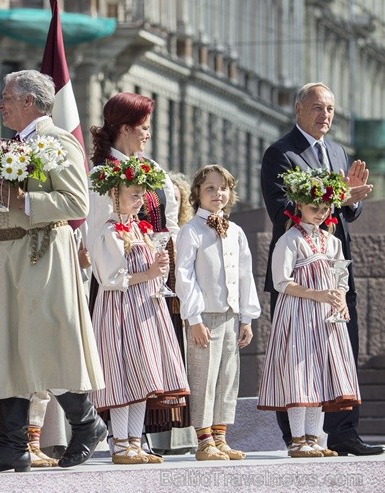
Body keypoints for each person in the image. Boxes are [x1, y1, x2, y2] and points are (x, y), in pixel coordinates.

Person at [0, 70, 105, 474]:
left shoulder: (58, 141)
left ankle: (86, 423)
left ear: (29, 102)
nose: (0, 104)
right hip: (10, 253)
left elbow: (76, 202)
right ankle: (13, 446)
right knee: (8, 346)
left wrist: (25, 200)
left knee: (47, 342)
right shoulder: (12, 146)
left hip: (43, 250)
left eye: (7, 97)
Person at [260, 82, 380, 456]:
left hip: (335, 267)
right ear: (298, 110)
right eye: (317, 107)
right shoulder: (281, 153)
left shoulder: (338, 152)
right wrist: (336, 197)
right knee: (295, 356)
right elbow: (282, 211)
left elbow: (346, 211)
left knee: (341, 350)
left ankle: (344, 433)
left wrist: (351, 201)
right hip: (298, 272)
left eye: (329, 108)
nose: (324, 115)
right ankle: (296, 436)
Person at [87, 93, 186, 457]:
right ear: (125, 129)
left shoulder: (153, 169)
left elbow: (170, 225)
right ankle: (120, 438)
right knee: (120, 359)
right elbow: (96, 230)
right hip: (117, 276)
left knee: (147, 358)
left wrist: (164, 270)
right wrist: (132, 270)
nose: (147, 134)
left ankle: (137, 436)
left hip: (152, 274)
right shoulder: (102, 174)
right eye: (143, 128)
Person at [258, 167, 359, 458]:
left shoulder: (333, 241)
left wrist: (338, 296)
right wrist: (317, 294)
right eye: (315, 206)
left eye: (326, 207)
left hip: (326, 318)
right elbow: (281, 281)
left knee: (321, 374)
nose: (320, 211)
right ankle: (298, 440)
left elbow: (341, 276)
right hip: (299, 313)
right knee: (300, 373)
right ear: (299, 205)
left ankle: (314, 438)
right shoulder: (290, 240)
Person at [175, 164, 260, 461]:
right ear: (197, 192)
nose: (217, 193)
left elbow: (246, 274)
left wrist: (247, 317)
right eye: (210, 188)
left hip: (230, 315)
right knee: (204, 377)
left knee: (227, 377)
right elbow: (185, 276)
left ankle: (221, 437)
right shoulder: (191, 231)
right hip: (205, 317)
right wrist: (194, 318)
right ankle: (204, 440)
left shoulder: (235, 232)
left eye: (222, 188)